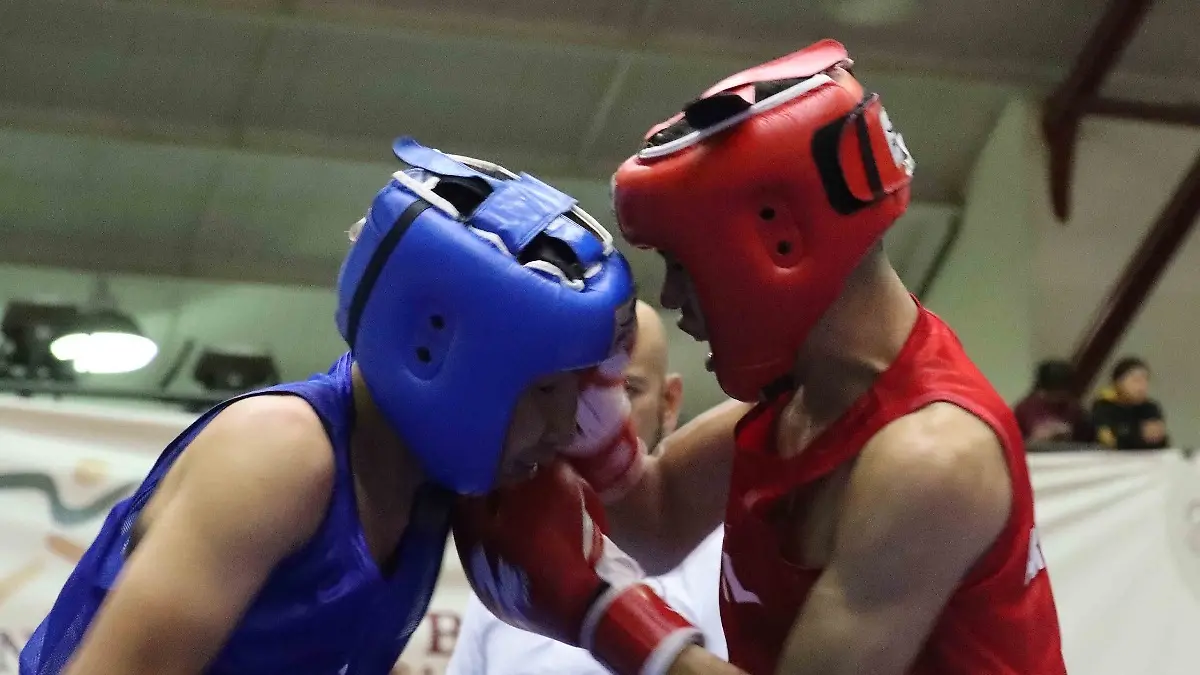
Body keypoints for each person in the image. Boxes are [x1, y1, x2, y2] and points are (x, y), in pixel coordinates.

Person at [453, 39, 1067, 675]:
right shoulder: (804, 400)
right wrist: (585, 395)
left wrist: (604, 615)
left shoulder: (931, 458)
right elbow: (656, 519)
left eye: (683, 265)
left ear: (779, 242)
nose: (673, 298)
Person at [19, 138, 637, 675]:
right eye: (545, 390)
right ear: (439, 351)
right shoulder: (280, 456)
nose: (563, 428)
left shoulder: (432, 488)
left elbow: (658, 523)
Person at [446, 301, 727, 675]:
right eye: (561, 390)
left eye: (624, 389)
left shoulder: (722, 552)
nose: (575, 420)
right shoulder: (512, 542)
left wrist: (608, 615)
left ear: (669, 402)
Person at [1091, 356, 1169, 450]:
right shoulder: (1104, 407)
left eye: (1146, 380)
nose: (1142, 386)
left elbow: (1161, 441)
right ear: (1118, 383)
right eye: (1136, 380)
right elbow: (1109, 440)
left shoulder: (1150, 407)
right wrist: (1139, 434)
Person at [1013, 359, 1094, 444]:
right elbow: (1014, 442)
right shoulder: (1025, 409)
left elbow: (1084, 440)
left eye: (1063, 392)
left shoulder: (1074, 409)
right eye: (1054, 392)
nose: (1059, 397)